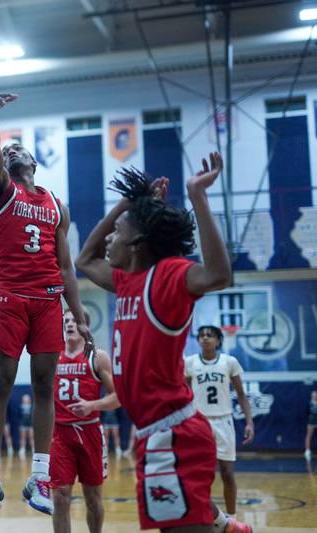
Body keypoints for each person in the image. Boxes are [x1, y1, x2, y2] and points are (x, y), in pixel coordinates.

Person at [75, 153, 251, 532]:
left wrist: (197, 196)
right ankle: (223, 524)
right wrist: (133, 199)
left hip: (175, 434)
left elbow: (219, 274)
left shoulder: (168, 277)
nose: (109, 238)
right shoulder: (126, 282)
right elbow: (85, 258)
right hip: (154, 432)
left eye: (118, 231)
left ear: (137, 242)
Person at [0, 92, 93, 517]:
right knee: (0, 384)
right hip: (9, 299)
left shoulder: (55, 205)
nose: (11, 151)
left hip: (47, 302)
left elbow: (65, 267)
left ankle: (38, 476)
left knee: (44, 386)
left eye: (16, 148)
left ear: (35, 163)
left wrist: (78, 314)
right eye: (7, 150)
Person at [51, 309, 119, 533]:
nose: (69, 324)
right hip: (60, 434)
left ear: (84, 327)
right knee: (60, 498)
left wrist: (92, 405)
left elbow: (118, 397)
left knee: (93, 499)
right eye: (66, 321)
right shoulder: (52, 356)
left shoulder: (97, 357)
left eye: (74, 321)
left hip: (89, 432)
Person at [185, 325, 254, 518]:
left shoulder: (229, 362)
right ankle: (201, 515)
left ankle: (232, 518)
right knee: (198, 474)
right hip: (199, 422)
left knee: (227, 473)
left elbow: (241, 395)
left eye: (210, 335)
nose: (205, 338)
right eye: (201, 336)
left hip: (224, 421)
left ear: (218, 341)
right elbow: (182, 394)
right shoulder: (189, 363)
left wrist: (249, 422)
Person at [17, 394, 33, 458]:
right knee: (23, 438)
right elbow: (19, 416)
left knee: (31, 438)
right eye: (25, 398)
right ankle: (22, 449)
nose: (26, 400)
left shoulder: (32, 406)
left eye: (27, 398)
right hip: (23, 425)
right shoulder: (20, 407)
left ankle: (33, 450)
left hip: (31, 425)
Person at [306, 390, 317, 459]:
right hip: (311, 422)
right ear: (312, 396)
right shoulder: (310, 403)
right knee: (309, 435)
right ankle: (307, 451)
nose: (315, 395)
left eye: (315, 394)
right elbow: (308, 412)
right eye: (313, 395)